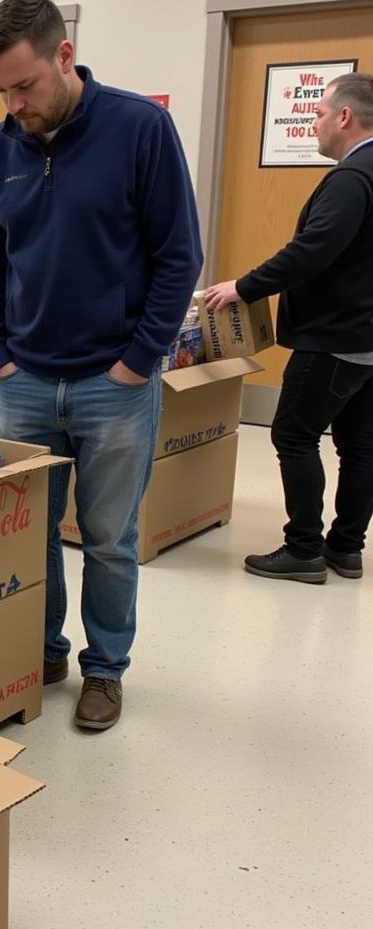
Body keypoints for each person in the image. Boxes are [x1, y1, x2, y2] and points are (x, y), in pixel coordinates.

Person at [0, 0, 203, 731]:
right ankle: (42, 651)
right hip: (26, 383)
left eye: (26, 86)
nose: (14, 106)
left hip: (114, 385)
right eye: (1, 92)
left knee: (108, 538)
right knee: (27, 534)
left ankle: (105, 670)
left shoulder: (140, 130)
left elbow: (178, 257)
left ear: (64, 57)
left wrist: (139, 361)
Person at [205, 74, 373, 586]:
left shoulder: (351, 177)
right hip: (366, 339)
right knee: (359, 445)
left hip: (335, 338)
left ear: (345, 116)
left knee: (293, 434)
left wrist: (247, 287)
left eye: (319, 113)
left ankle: (303, 549)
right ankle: (345, 548)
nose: (314, 122)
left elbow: (314, 249)